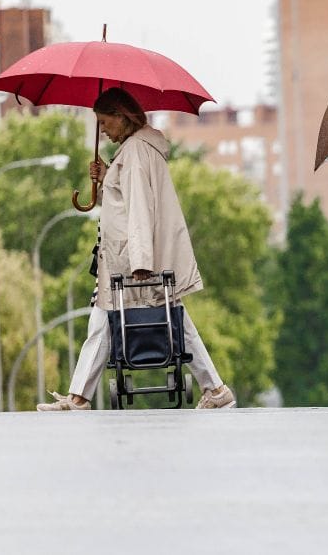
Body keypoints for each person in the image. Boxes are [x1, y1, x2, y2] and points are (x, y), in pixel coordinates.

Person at [37, 87, 236, 411]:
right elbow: (123, 201)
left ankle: (214, 388)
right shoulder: (133, 151)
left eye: (105, 122)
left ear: (122, 116)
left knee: (164, 320)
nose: (102, 130)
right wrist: (105, 179)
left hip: (131, 261)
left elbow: (140, 209)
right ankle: (80, 398)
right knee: (123, 320)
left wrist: (141, 262)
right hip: (125, 257)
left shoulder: (135, 153)